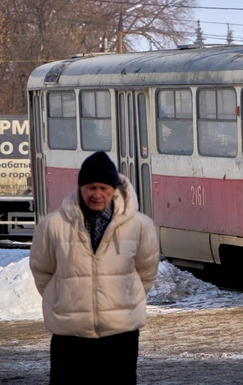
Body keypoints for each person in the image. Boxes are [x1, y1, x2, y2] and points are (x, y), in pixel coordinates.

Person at [29, 151, 160, 384]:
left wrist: (125, 299)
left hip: (120, 334)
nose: (97, 194)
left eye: (103, 188)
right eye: (91, 187)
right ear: (80, 187)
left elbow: (146, 271)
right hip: (70, 335)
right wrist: (64, 299)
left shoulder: (140, 226)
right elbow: (42, 269)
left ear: (114, 189)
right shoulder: (53, 225)